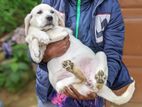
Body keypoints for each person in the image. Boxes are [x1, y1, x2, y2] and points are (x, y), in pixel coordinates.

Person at [36, 0, 133, 107]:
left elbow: (113, 52)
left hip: (89, 86)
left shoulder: (109, 4)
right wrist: (46, 54)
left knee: (102, 56)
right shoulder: (51, 2)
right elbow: (33, 43)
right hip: (54, 90)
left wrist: (102, 83)